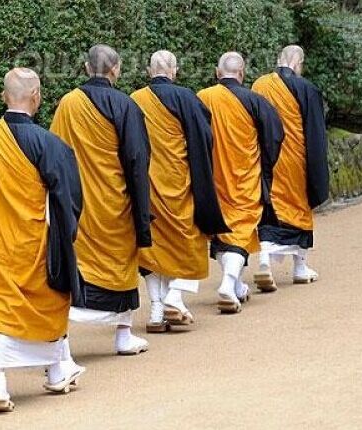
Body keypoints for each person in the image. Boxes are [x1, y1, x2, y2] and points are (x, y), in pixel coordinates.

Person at [0, 68, 85, 413]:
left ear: (4, 96)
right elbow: (69, 199)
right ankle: (57, 369)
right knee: (51, 301)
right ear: (37, 97)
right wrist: (66, 234)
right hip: (34, 248)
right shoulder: (49, 143)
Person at [50, 45, 152, 354]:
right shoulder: (125, 105)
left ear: (85, 68)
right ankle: (123, 335)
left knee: (74, 264)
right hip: (113, 203)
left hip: (76, 203)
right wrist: (142, 210)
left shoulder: (68, 104)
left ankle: (61, 341)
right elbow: (137, 160)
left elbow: (54, 151)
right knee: (121, 263)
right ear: (116, 69)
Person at [131, 50, 229, 332]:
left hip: (147, 187)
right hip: (179, 185)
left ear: (149, 71)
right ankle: (174, 296)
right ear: (174, 71)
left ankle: (156, 310)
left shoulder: (135, 99)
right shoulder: (186, 97)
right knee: (191, 243)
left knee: (152, 250)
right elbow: (205, 137)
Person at [198, 52, 284, 312]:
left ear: (217, 72)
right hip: (244, 180)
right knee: (240, 230)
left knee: (221, 233)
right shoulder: (255, 101)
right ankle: (227, 283)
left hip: (212, 179)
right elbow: (275, 136)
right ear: (242, 74)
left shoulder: (202, 98)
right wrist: (263, 163)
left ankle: (235, 286)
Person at [251, 45, 329, 292]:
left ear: (279, 59)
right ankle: (300, 268)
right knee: (299, 211)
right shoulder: (306, 88)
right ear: (298, 63)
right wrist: (318, 170)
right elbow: (315, 133)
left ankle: (264, 257)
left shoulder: (259, 85)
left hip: (266, 160)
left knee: (269, 209)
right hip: (295, 163)